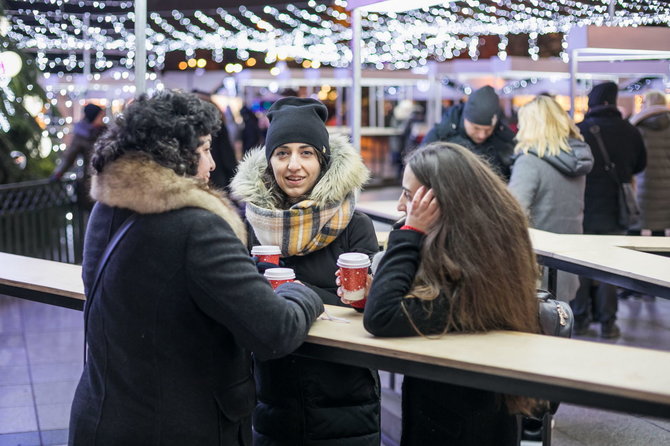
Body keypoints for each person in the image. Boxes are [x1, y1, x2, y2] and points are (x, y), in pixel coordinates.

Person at [68, 90, 324, 446]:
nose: (212, 164)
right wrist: (303, 290)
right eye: (204, 150)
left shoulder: (107, 209)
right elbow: (276, 331)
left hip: (102, 416)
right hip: (179, 425)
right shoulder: (196, 227)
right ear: (175, 155)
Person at [360, 142, 541, 446]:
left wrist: (410, 233)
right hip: (469, 412)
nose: (401, 207)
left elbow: (382, 317)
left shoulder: (477, 270)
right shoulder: (478, 241)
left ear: (439, 200)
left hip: (455, 423)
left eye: (408, 195)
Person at [230, 97, 381, 445]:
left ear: (323, 160)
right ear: (269, 162)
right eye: (282, 153)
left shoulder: (354, 225)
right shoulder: (249, 226)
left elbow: (369, 307)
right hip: (271, 398)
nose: (293, 165)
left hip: (347, 399)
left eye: (306, 153)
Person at [573, 82, 647, 338]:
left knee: (579, 267)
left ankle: (580, 319)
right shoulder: (630, 131)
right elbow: (639, 165)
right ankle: (608, 323)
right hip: (616, 211)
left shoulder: (579, 130)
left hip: (583, 209)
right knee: (609, 269)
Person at [508, 95, 593, 302]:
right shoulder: (576, 160)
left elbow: (512, 214)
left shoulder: (529, 162)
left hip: (536, 267)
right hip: (568, 261)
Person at [421, 85, 515, 180]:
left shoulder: (505, 139)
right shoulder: (439, 136)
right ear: (465, 119)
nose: (482, 135)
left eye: (488, 130)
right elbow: (421, 171)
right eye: (476, 128)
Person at [629, 90, 670, 235]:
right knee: (660, 228)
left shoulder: (638, 125)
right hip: (666, 185)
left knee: (636, 226)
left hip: (642, 182)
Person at [51, 103, 106, 209]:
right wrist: (58, 174)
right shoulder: (82, 135)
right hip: (91, 183)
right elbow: (69, 158)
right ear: (94, 116)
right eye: (101, 115)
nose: (103, 118)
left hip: (107, 182)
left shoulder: (105, 132)